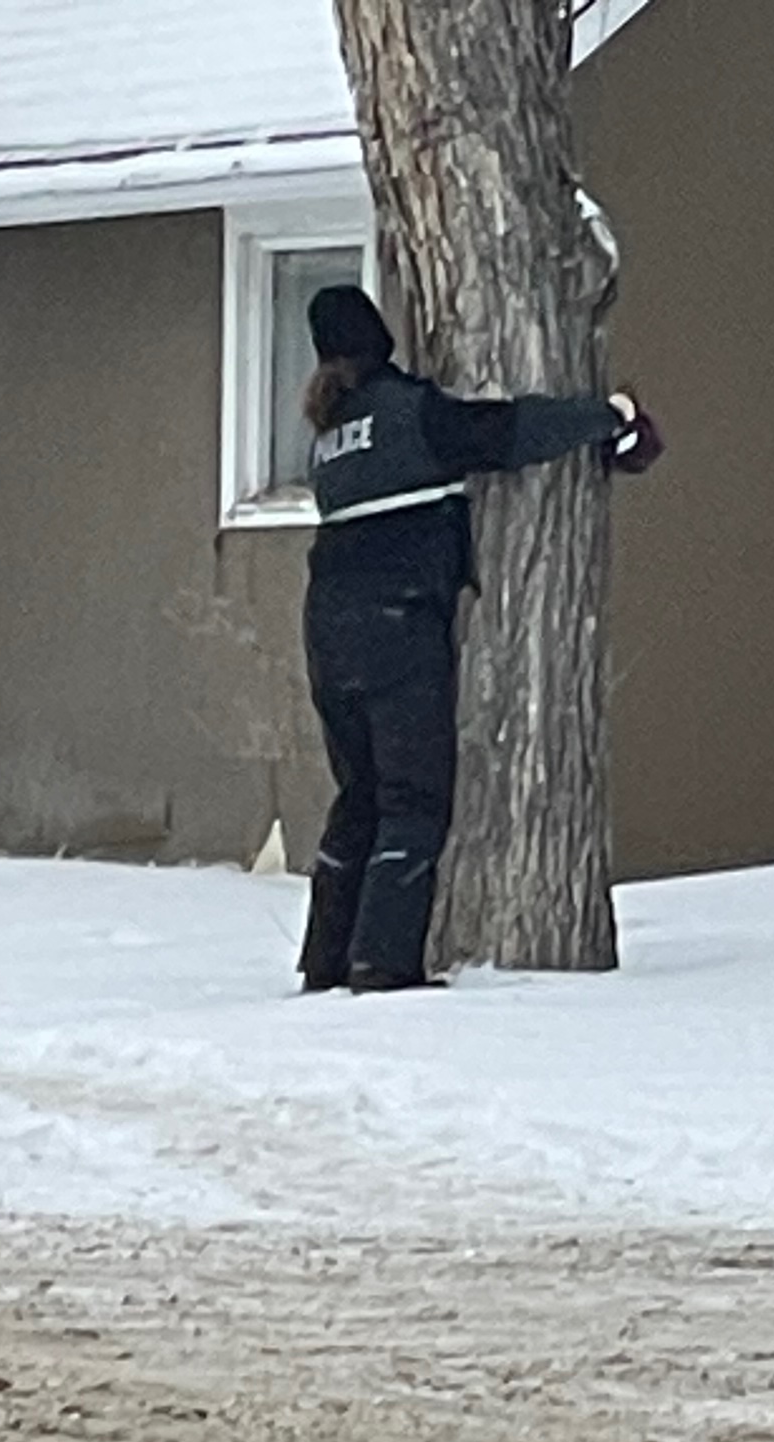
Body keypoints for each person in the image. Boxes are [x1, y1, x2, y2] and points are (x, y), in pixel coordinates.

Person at [296, 285, 659, 995]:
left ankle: (326, 959)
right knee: (413, 798)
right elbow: (507, 432)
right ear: (376, 337)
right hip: (398, 625)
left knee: (360, 795)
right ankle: (383, 964)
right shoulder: (409, 412)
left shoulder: (328, 436)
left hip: (327, 632)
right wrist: (604, 415)